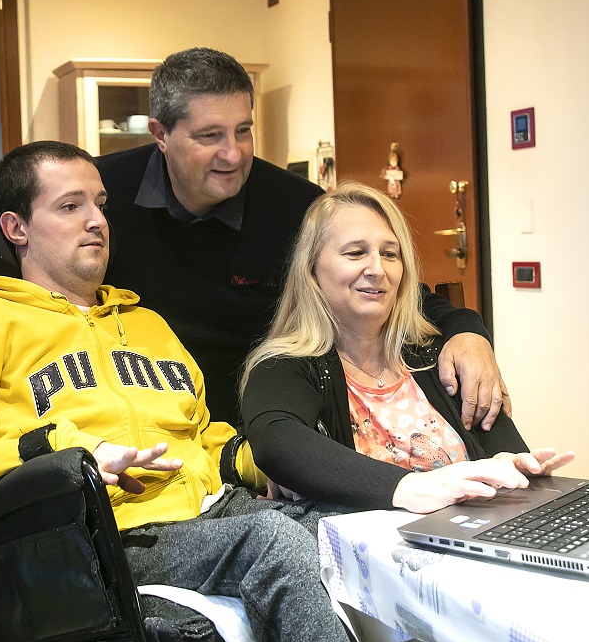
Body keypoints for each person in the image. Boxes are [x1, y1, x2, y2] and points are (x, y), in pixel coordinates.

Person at [0, 141, 360, 642]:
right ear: (16, 227)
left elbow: (202, 437)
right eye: (70, 206)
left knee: (348, 528)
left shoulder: (147, 325)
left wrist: (270, 462)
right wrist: (66, 452)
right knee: (273, 541)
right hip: (98, 539)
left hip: (208, 512)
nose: (96, 220)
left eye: (100, 204)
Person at [96, 46, 511, 430]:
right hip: (134, 421)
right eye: (210, 136)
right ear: (160, 134)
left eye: (243, 131)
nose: (233, 154)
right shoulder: (99, 195)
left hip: (261, 424)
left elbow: (389, 288)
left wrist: (467, 331)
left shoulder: (296, 206)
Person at [241, 182, 573, 512]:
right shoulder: (285, 366)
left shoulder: (438, 353)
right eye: (355, 253)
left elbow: (501, 445)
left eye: (390, 254)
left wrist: (510, 466)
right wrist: (409, 488)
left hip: (475, 533)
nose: (377, 269)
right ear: (311, 269)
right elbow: (275, 442)